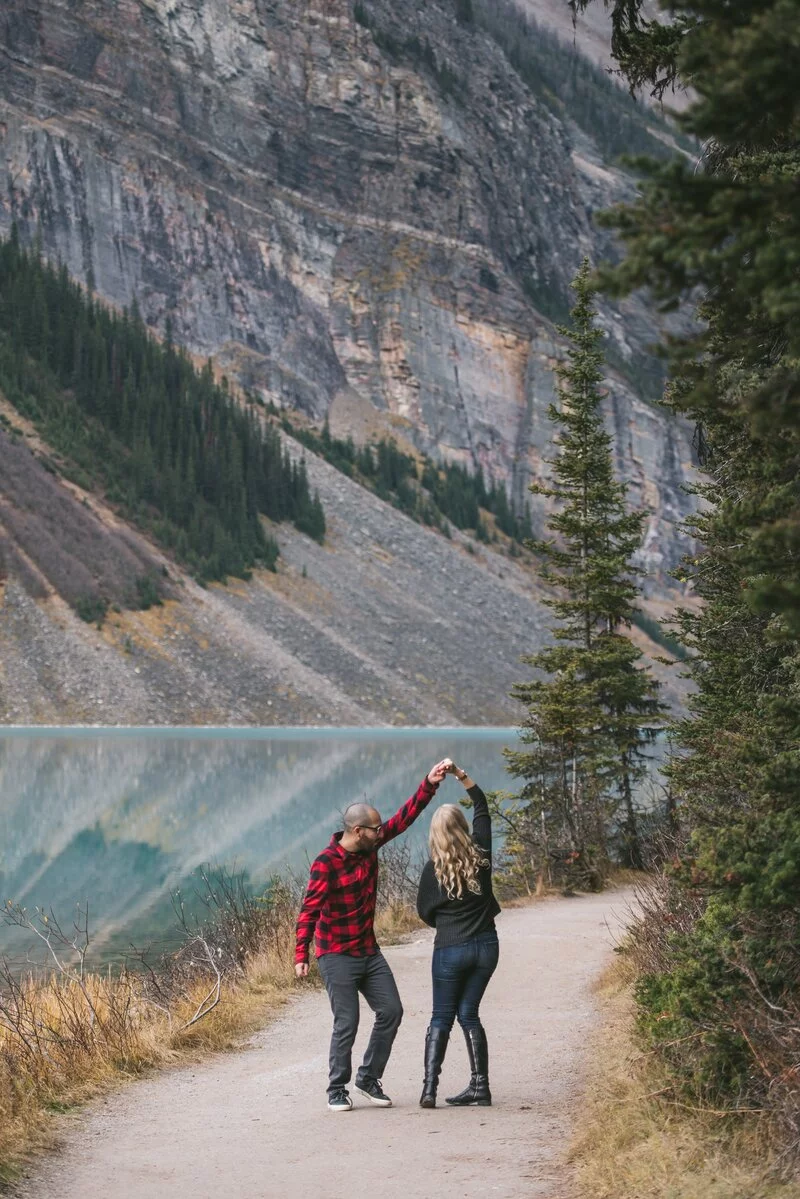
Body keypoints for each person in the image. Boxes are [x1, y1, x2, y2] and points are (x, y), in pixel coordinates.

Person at [295, 757, 452, 1112]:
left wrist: (429, 783)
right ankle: (337, 1088)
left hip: (368, 951)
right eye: (375, 829)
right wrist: (301, 954)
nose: (382, 832)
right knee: (347, 1021)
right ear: (356, 831)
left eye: (380, 829)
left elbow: (404, 817)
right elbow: (310, 910)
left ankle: (367, 1078)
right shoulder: (326, 863)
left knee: (392, 1011)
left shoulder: (371, 847)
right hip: (335, 954)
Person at [416, 763, 501, 1108]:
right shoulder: (481, 854)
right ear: (463, 828)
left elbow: (424, 912)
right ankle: (480, 1087)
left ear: (435, 835)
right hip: (487, 947)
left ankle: (429, 1090)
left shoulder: (433, 871)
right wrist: (462, 775)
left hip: (450, 949)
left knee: (441, 1017)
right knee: (469, 1014)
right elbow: (482, 807)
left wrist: (447, 921)